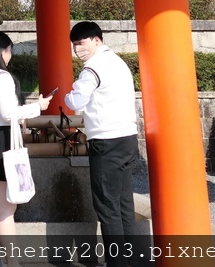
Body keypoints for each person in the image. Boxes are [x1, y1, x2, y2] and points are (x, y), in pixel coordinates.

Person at [0, 30, 50, 267]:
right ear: (3, 51)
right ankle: (12, 263)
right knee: (6, 209)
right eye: (10, 50)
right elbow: (8, 114)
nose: (11, 55)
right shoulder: (2, 77)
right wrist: (38, 106)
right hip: (4, 140)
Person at [64, 21, 140, 267]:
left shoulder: (92, 69)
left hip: (106, 143)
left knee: (107, 208)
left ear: (96, 40)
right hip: (128, 139)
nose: (78, 49)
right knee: (124, 205)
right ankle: (134, 261)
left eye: (81, 43)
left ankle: (117, 263)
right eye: (74, 45)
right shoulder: (119, 63)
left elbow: (76, 101)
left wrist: (67, 95)